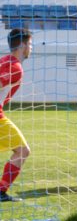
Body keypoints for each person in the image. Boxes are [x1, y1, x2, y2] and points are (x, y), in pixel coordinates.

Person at [0, 29, 32, 202]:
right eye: (30, 44)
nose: (31, 48)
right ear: (22, 45)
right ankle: (1, 191)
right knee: (23, 151)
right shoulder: (15, 67)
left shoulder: (5, 60)